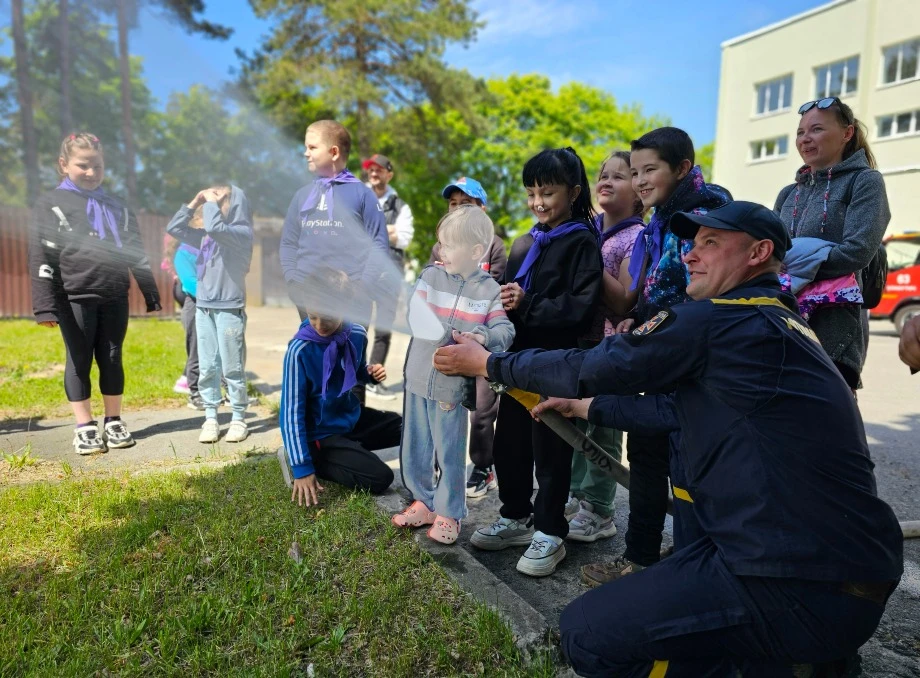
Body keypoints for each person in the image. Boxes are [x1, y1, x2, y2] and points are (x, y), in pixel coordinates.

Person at [434, 201, 903, 677]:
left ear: (759, 252)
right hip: (845, 577)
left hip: (796, 584)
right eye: (692, 243)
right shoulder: (779, 325)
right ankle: (812, 661)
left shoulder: (719, 320)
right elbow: (673, 409)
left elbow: (595, 365)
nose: (691, 256)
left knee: (585, 635)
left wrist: (489, 364)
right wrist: (582, 408)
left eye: (711, 243)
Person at [576, 127, 731, 586]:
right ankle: (643, 557)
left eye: (649, 170)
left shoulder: (705, 215)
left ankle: (695, 559)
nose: (641, 180)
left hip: (702, 357)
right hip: (668, 348)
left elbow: (694, 291)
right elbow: (658, 288)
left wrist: (648, 321)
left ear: (682, 168)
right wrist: (637, 319)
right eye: (635, 171)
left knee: (691, 461)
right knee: (649, 449)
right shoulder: (664, 216)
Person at [469, 147, 603, 577]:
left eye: (548, 192)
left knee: (551, 450)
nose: (538, 202)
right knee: (510, 441)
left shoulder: (582, 241)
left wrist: (528, 302)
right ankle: (515, 515)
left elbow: (580, 308)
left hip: (557, 364)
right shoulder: (526, 241)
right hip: (516, 362)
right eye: (531, 192)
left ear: (573, 192)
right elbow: (508, 296)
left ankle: (551, 530)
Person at [29, 132, 161, 455]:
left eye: (97, 166)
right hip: (73, 297)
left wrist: (150, 292)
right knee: (79, 359)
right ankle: (85, 426)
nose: (91, 173)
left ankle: (113, 419)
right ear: (64, 165)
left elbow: (135, 253)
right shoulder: (51, 204)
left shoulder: (118, 207)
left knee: (112, 357)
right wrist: (45, 307)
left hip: (115, 294)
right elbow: (42, 257)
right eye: (82, 165)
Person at [391, 206, 514, 544]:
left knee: (449, 451)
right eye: (440, 244)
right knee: (415, 446)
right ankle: (424, 501)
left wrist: (482, 338)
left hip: (451, 389)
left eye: (448, 245)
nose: (440, 251)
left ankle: (449, 513)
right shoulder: (430, 276)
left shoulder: (489, 290)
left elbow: (505, 331)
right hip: (416, 379)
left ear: (476, 251)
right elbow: (413, 316)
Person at [774, 96, 890, 391]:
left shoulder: (864, 181)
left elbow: (858, 251)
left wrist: (791, 265)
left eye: (816, 130)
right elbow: (768, 252)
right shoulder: (788, 193)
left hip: (834, 328)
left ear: (847, 133)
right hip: (782, 321)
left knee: (827, 426)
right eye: (800, 132)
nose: (805, 139)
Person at [564, 151, 647, 543]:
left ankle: (600, 508)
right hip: (581, 345)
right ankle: (579, 496)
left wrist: (589, 262)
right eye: (603, 174)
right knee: (576, 421)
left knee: (602, 424)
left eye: (620, 175)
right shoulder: (589, 228)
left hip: (612, 348)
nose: (607, 180)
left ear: (639, 193)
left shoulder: (636, 237)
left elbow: (625, 301)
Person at [279, 268, 400, 505]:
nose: (320, 325)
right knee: (380, 477)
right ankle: (307, 458)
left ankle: (349, 450)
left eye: (328, 317)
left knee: (407, 428)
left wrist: (370, 375)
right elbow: (290, 413)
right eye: (313, 316)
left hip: (348, 418)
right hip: (320, 432)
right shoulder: (299, 351)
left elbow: (355, 373)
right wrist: (302, 468)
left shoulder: (356, 334)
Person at [428, 176, 508, 499]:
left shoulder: (496, 245)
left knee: (482, 410)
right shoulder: (438, 246)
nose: (459, 209)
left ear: (482, 209)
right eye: (453, 204)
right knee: (444, 405)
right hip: (448, 341)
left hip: (480, 342)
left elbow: (491, 289)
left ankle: (483, 467)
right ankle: (442, 466)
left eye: (467, 204)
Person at [279, 121, 389, 327]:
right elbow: (288, 243)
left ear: (334, 152)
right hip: (308, 296)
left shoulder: (363, 195)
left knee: (350, 358)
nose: (305, 153)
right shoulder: (302, 195)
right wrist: (293, 280)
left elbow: (379, 245)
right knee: (314, 357)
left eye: (312, 147)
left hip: (352, 299)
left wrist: (362, 287)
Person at [167, 185, 253, 444]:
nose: (212, 200)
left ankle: (238, 418)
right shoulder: (204, 235)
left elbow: (217, 228)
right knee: (208, 366)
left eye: (221, 197)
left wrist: (211, 203)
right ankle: (211, 418)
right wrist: (194, 201)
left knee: (232, 367)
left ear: (235, 203)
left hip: (229, 308)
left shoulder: (241, 233)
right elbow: (174, 229)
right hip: (204, 308)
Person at [362, 153, 414, 398]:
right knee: (356, 325)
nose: (374, 173)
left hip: (389, 273)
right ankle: (355, 377)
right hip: (360, 270)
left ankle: (373, 380)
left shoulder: (401, 205)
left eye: (379, 170)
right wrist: (387, 229)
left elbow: (404, 238)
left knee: (383, 328)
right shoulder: (357, 196)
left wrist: (373, 228)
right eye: (370, 170)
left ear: (389, 174)